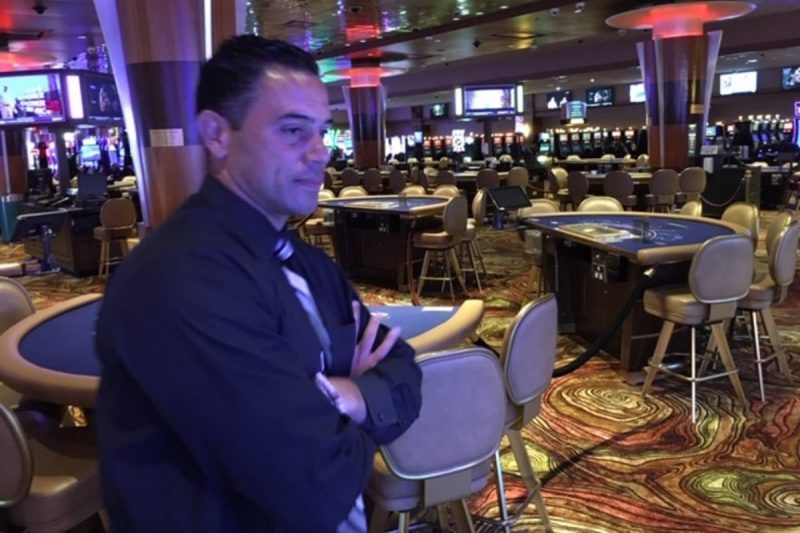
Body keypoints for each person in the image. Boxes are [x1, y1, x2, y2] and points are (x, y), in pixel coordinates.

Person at [95, 35, 423, 532]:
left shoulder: (309, 264)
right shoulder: (181, 279)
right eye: (293, 130)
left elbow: (403, 370)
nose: (320, 153)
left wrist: (349, 398)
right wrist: (360, 409)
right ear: (217, 135)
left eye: (322, 131)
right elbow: (312, 482)